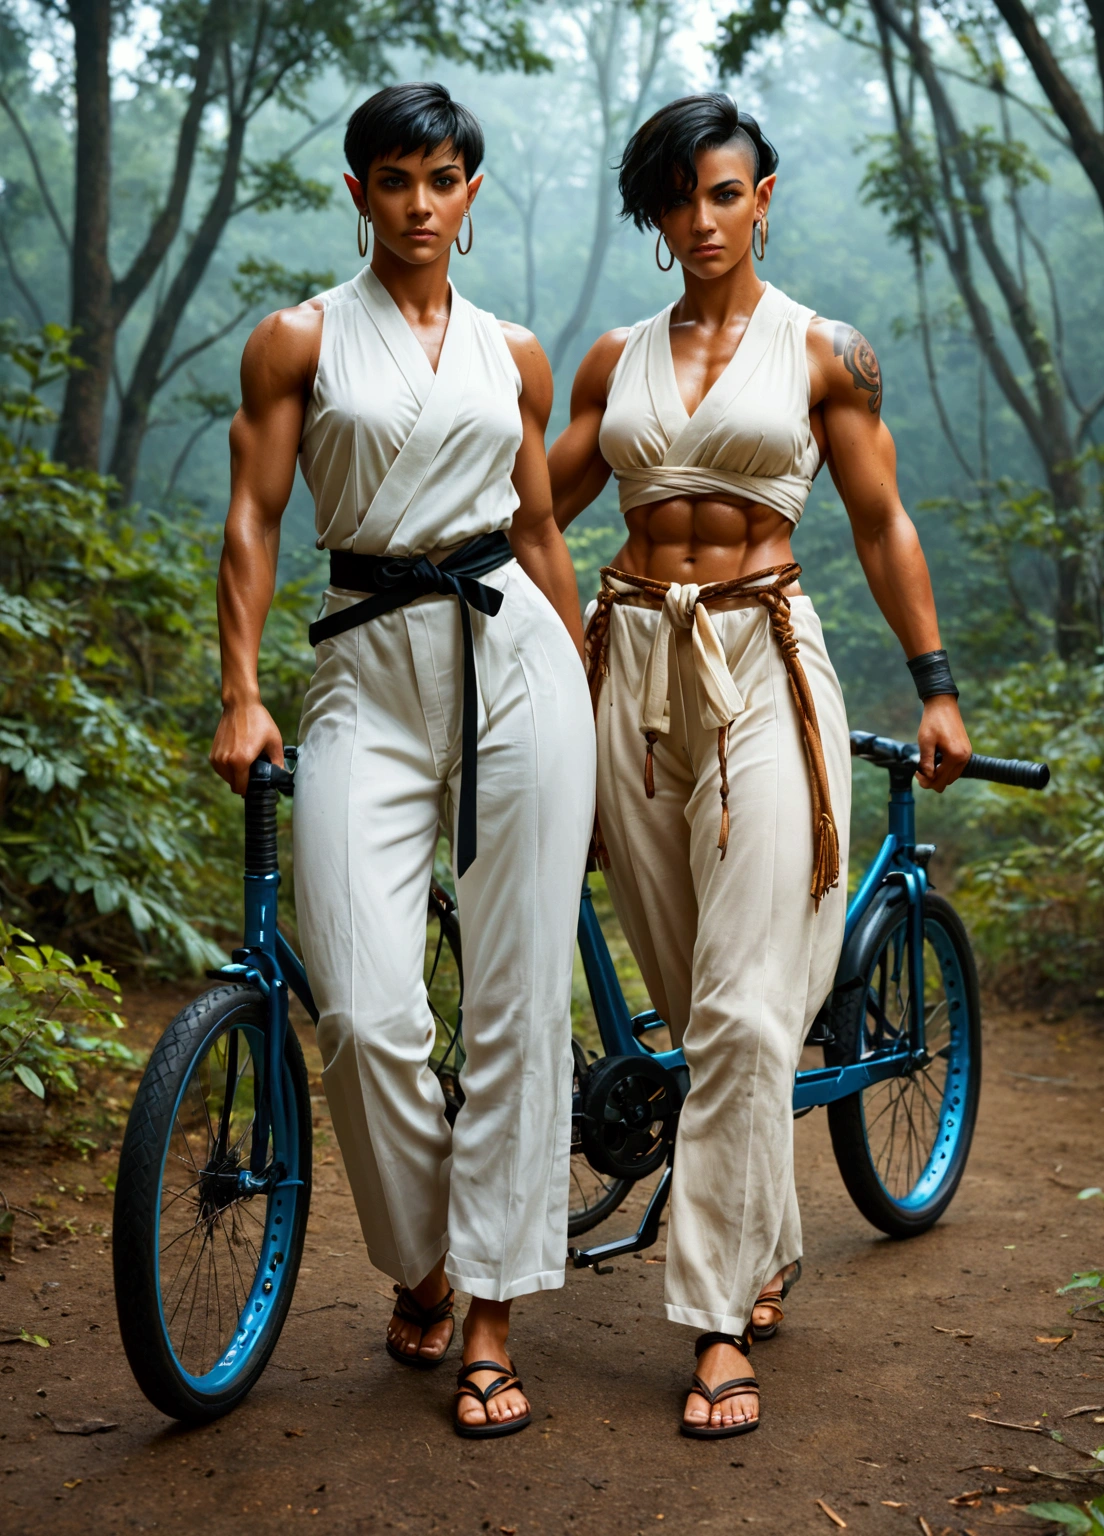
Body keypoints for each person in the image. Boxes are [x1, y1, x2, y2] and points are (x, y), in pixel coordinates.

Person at [548, 93, 971, 1439]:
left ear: (765, 194)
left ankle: (716, 1318)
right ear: (658, 216)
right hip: (630, 671)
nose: (703, 220)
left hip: (764, 672)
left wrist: (936, 684)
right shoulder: (615, 358)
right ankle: (763, 1238)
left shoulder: (824, 353)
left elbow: (882, 519)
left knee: (739, 1011)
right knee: (691, 995)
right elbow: (531, 508)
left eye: (724, 193)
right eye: (678, 201)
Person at [210, 81, 595, 1439]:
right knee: (366, 1015)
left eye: (444, 179)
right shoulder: (298, 339)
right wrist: (242, 692)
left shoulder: (517, 354)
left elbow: (543, 532)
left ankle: (489, 1308)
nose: (421, 203)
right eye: (395, 179)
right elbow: (255, 518)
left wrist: (592, 701)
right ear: (360, 193)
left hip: (519, 663)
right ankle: (423, 1258)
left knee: (516, 1002)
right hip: (362, 669)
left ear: (470, 193)